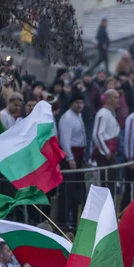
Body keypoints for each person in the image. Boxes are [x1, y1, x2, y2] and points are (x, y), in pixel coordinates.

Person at [58, 93, 87, 224]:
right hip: (71, 157)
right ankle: (64, 219)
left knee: (77, 190)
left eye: (81, 103)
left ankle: (75, 218)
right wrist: (70, 157)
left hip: (79, 155)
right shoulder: (67, 118)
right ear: (71, 104)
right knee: (68, 190)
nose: (80, 105)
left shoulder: (79, 116)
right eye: (77, 103)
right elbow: (64, 140)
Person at [92, 89, 120, 196]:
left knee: (111, 184)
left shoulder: (110, 113)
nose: (118, 100)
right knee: (107, 185)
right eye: (115, 97)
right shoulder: (103, 114)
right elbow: (97, 134)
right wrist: (106, 152)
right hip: (105, 154)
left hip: (111, 152)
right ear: (108, 99)